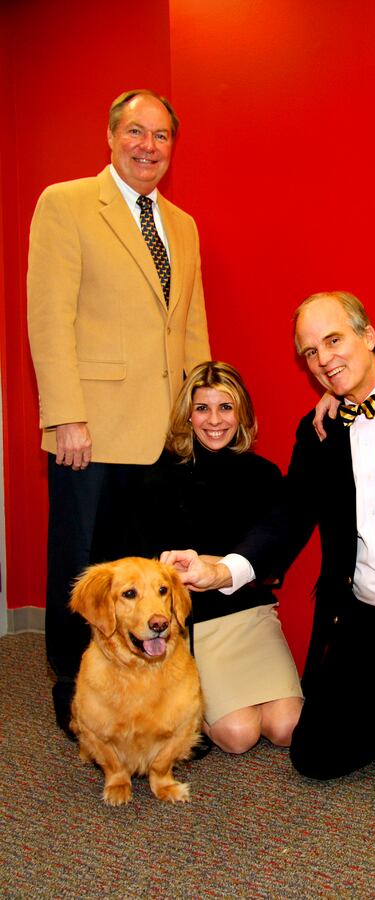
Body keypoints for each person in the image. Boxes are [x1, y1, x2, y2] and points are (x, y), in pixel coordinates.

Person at [162, 291, 375, 800]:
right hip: (363, 621)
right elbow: (288, 516)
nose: (324, 359)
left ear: (368, 337)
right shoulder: (318, 430)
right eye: (310, 352)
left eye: (333, 340)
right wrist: (222, 570)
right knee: (313, 756)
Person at [27, 89, 210, 738]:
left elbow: (189, 330)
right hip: (93, 430)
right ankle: (77, 697)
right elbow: (49, 318)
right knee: (86, 570)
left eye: (161, 137)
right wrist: (66, 416)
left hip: (162, 435)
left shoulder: (182, 225)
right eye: (135, 132)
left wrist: (199, 414)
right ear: (110, 136)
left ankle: (142, 695)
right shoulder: (67, 203)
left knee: (145, 581)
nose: (147, 147)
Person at [137, 361, 303, 753]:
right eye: (202, 408)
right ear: (187, 414)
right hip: (198, 624)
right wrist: (224, 565)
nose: (214, 420)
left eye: (225, 407)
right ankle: (185, 708)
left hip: (253, 615)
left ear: (242, 412)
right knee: (239, 735)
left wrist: (214, 566)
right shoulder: (159, 475)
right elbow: (152, 568)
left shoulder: (265, 475)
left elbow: (272, 566)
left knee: (286, 727)